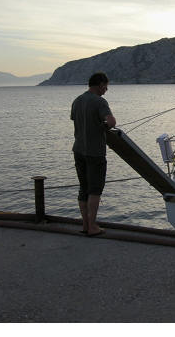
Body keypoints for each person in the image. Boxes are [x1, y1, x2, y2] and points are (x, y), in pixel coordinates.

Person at [70, 72, 116, 236]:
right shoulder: (99, 101)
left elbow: (75, 120)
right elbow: (111, 122)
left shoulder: (77, 100)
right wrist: (102, 128)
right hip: (94, 152)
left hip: (78, 150)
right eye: (106, 86)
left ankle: (85, 225)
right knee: (95, 190)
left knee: (84, 189)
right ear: (100, 84)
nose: (106, 90)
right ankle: (93, 227)